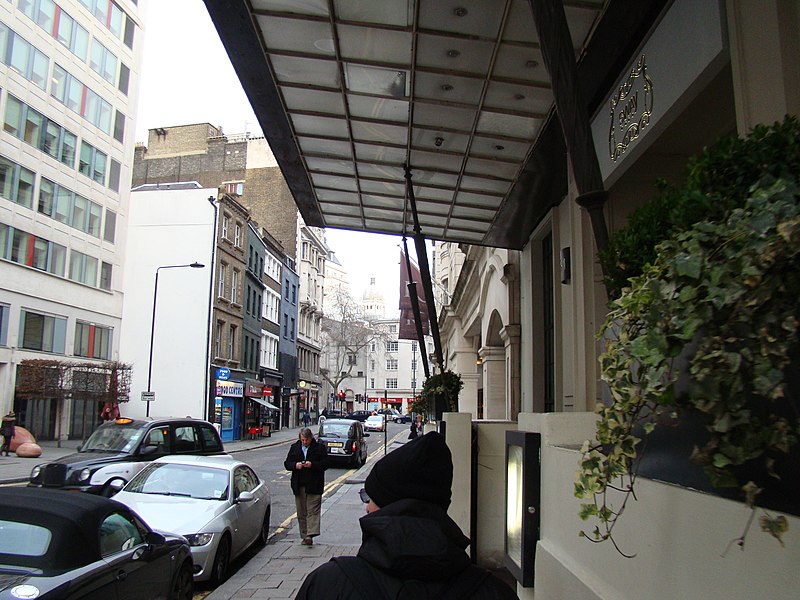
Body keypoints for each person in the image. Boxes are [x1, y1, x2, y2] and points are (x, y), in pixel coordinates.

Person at [295, 431, 519, 599]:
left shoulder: (327, 584)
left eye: (370, 497)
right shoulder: (495, 592)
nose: (366, 508)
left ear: (389, 505)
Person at [284, 427, 327, 546]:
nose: (304, 442)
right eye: (302, 440)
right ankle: (304, 535)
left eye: (306, 440)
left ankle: (310, 535)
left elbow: (326, 463)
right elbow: (287, 464)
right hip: (299, 484)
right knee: (301, 512)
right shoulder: (295, 448)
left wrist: (312, 464)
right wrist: (295, 465)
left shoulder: (319, 448)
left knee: (313, 511)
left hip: (314, 484)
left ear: (311, 438)